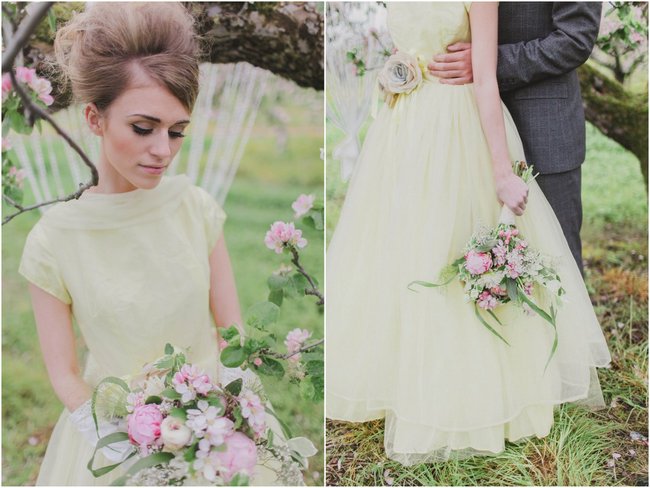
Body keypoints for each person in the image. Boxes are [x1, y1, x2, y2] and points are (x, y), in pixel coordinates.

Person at [19, 3, 299, 484]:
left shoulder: (194, 207)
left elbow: (230, 332)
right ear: (94, 117)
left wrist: (227, 410)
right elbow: (64, 373)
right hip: (117, 436)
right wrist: (123, 441)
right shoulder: (52, 241)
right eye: (143, 128)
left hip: (214, 420)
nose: (162, 151)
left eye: (177, 132)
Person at [326, 2, 610, 466]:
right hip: (437, 123)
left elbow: (575, 39)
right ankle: (446, 382)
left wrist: (485, 61)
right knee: (439, 252)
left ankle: (548, 381)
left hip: (535, 114)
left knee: (548, 255)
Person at [427, 2, 603, 275]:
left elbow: (574, 39)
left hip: (543, 130)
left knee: (557, 265)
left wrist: (488, 62)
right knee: (479, 265)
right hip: (468, 130)